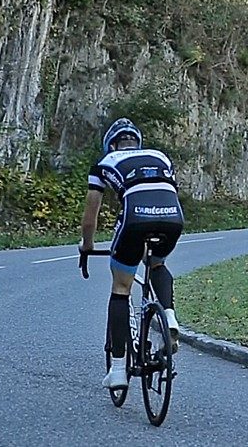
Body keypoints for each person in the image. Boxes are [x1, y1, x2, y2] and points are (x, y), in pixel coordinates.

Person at [79, 118, 184, 389]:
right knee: (157, 264)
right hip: (172, 217)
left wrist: (87, 245)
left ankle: (117, 371)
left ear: (112, 145)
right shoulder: (159, 155)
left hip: (135, 217)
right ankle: (169, 316)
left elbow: (91, 216)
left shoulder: (105, 163)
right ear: (137, 142)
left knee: (121, 286)